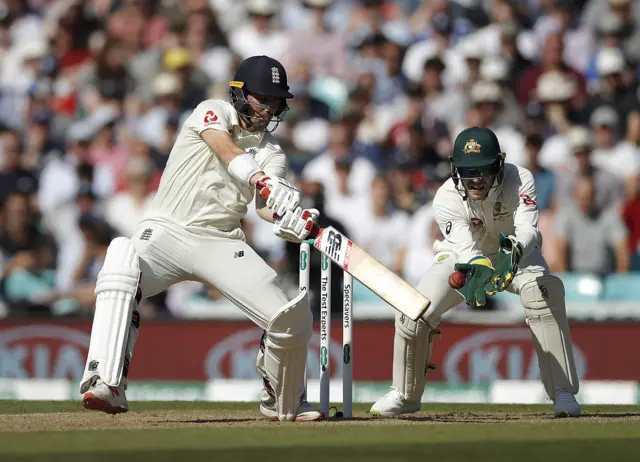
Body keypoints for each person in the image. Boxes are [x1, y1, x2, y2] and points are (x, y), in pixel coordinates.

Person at [78, 55, 324, 422]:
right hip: (167, 231)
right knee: (121, 258)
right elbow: (226, 150)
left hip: (223, 241)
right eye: (263, 98)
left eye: (276, 101)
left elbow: (264, 209)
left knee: (287, 317)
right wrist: (261, 179)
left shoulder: (272, 151)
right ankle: (106, 382)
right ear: (239, 94)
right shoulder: (211, 111)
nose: (270, 107)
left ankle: (282, 398)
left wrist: (290, 215)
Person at [370, 127, 581, 418]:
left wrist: (512, 251)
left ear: (499, 164)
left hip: (519, 255)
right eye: (468, 171)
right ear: (455, 168)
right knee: (412, 311)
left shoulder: (521, 179)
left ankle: (562, 393)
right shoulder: (445, 198)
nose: (476, 180)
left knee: (542, 294)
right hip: (464, 257)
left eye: (483, 170)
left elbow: (528, 230)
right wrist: (477, 275)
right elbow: (468, 253)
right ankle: (404, 395)